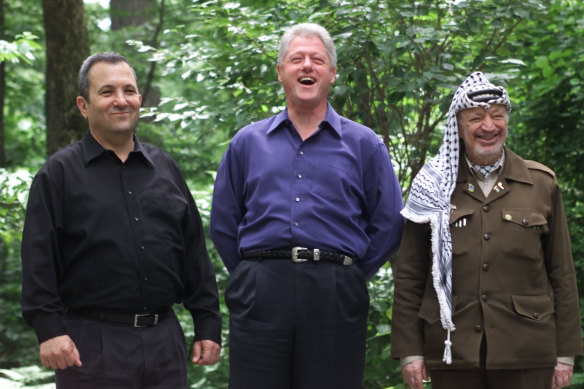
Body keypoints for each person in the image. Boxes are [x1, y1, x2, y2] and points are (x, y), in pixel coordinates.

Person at [209, 23, 403, 389]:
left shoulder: (365, 144)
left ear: (332, 72)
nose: (307, 66)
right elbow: (223, 222)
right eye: (296, 59)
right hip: (261, 290)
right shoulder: (247, 142)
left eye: (318, 59)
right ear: (281, 72)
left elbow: (389, 223)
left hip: (335, 291)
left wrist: (345, 273)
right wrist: (253, 275)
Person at [21, 52, 222, 388]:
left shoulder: (166, 170)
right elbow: (38, 260)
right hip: (91, 346)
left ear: (139, 100)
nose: (120, 101)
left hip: (164, 343)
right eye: (107, 92)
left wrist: (207, 323)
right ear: (84, 105)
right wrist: (49, 330)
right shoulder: (58, 174)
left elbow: (194, 256)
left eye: (128, 91)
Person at [391, 71, 582, 389]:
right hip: (451, 352)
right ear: (459, 127)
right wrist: (410, 351)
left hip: (528, 352)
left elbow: (562, 274)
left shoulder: (541, 183)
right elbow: (411, 274)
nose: (489, 126)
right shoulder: (433, 185)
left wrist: (566, 353)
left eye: (497, 116)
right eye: (476, 118)